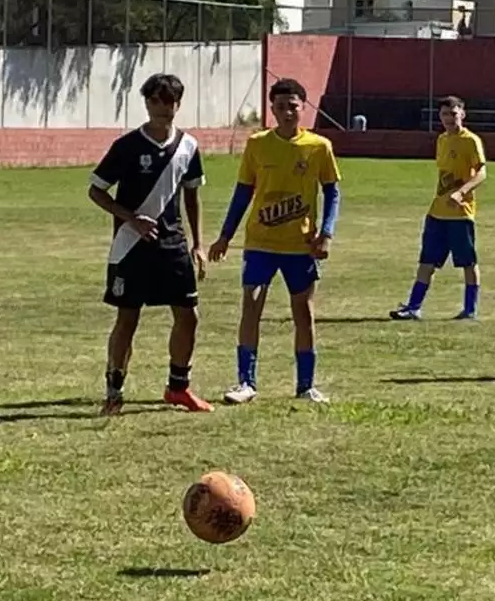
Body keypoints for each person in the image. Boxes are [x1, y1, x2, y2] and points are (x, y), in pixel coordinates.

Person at [209, 78, 341, 404]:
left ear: (303, 108)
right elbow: (243, 192)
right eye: (280, 107)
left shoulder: (318, 147)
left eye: (292, 106)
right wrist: (225, 235)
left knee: (303, 312)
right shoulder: (257, 144)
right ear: (272, 109)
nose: (286, 112)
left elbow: (332, 191)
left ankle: (306, 385)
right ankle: (246, 382)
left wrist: (326, 232)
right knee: (251, 307)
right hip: (260, 243)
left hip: (300, 245)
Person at [88, 73, 212, 415]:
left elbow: (192, 196)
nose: (164, 108)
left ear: (178, 104)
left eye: (170, 101)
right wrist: (130, 218)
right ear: (146, 103)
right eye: (156, 100)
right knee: (128, 319)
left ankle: (178, 388)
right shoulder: (127, 146)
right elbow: (96, 190)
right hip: (131, 248)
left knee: (189, 316)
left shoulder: (188, 146)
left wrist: (199, 243)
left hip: (172, 246)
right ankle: (114, 390)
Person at [390, 95, 487, 321]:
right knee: (427, 261)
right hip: (437, 212)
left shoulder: (471, 141)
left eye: (453, 114)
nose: (449, 119)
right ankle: (414, 307)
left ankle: (470, 309)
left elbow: (482, 172)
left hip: (461, 214)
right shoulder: (442, 140)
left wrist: (461, 192)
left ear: (462, 114)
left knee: (467, 262)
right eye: (444, 114)